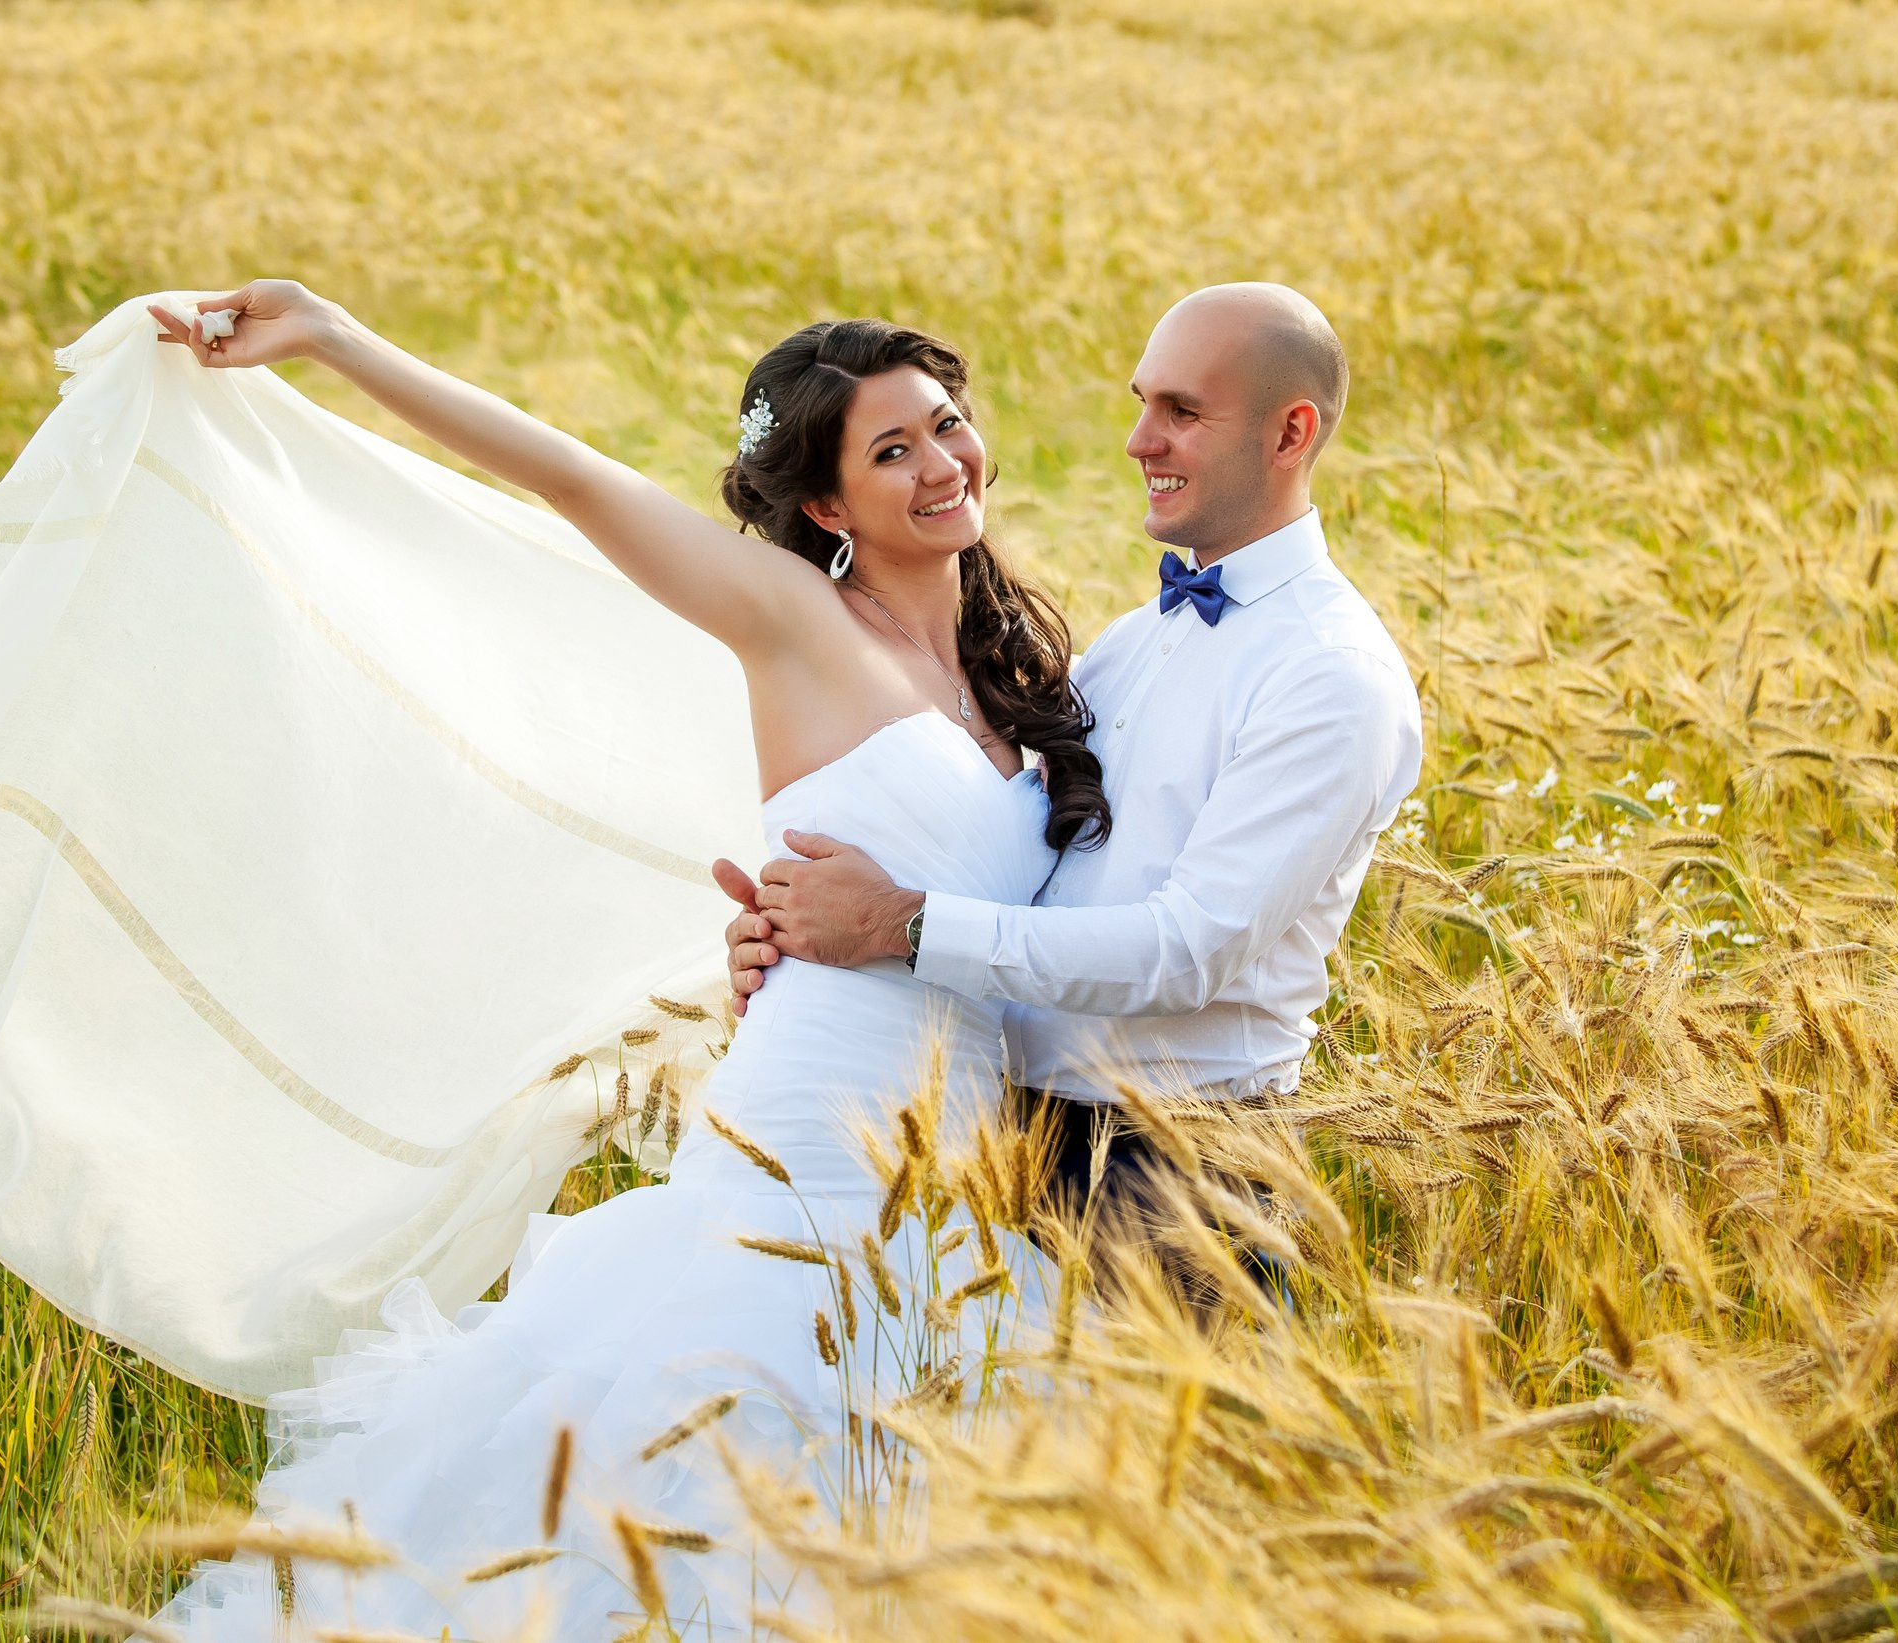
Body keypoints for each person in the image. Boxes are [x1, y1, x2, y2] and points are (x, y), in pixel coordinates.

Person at [137, 284, 1104, 1639]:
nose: (942, 464)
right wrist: (333, 335)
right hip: (811, 1150)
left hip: (963, 1188)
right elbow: (573, 478)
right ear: (825, 509)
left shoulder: (1018, 681)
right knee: (707, 1527)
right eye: (891, 452)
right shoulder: (796, 618)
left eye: (946, 426)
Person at [719, 285, 1423, 1269]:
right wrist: (798, 938)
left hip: (1176, 1174)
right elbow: (1009, 858)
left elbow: (1187, 953)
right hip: (1000, 1139)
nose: (1139, 440)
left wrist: (899, 924)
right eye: (1141, 402)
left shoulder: (1328, 675)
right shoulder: (1131, 647)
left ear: (1289, 432)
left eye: (1181, 411)